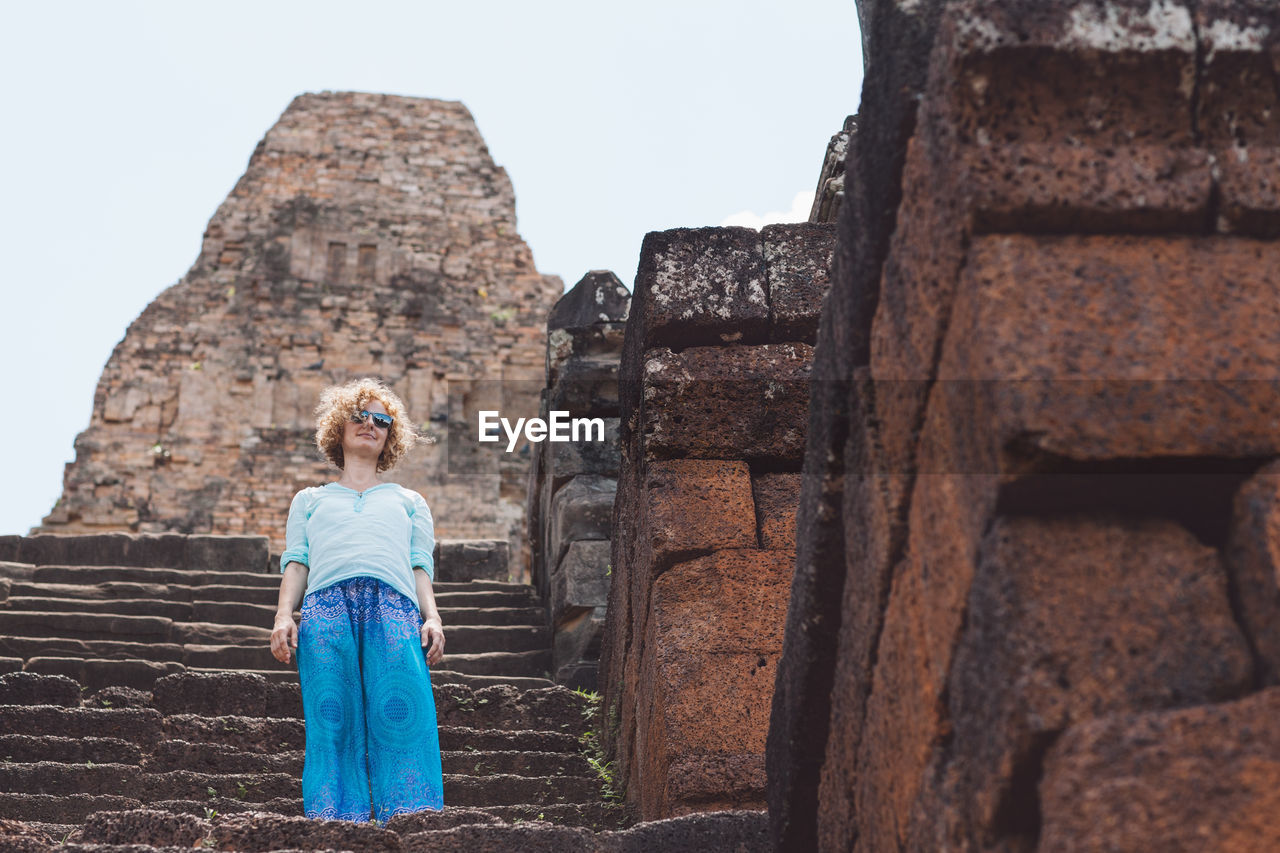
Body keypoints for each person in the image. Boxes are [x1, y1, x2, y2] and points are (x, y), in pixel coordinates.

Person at [269, 377, 446, 822]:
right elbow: (297, 561)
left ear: (390, 435)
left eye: (381, 419)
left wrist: (433, 618)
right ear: (338, 428)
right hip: (326, 611)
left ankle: (412, 822)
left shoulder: (409, 501)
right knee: (332, 722)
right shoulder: (310, 500)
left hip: (395, 608)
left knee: (401, 715)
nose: (370, 424)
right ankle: (334, 825)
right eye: (359, 415)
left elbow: (419, 565)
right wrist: (283, 615)